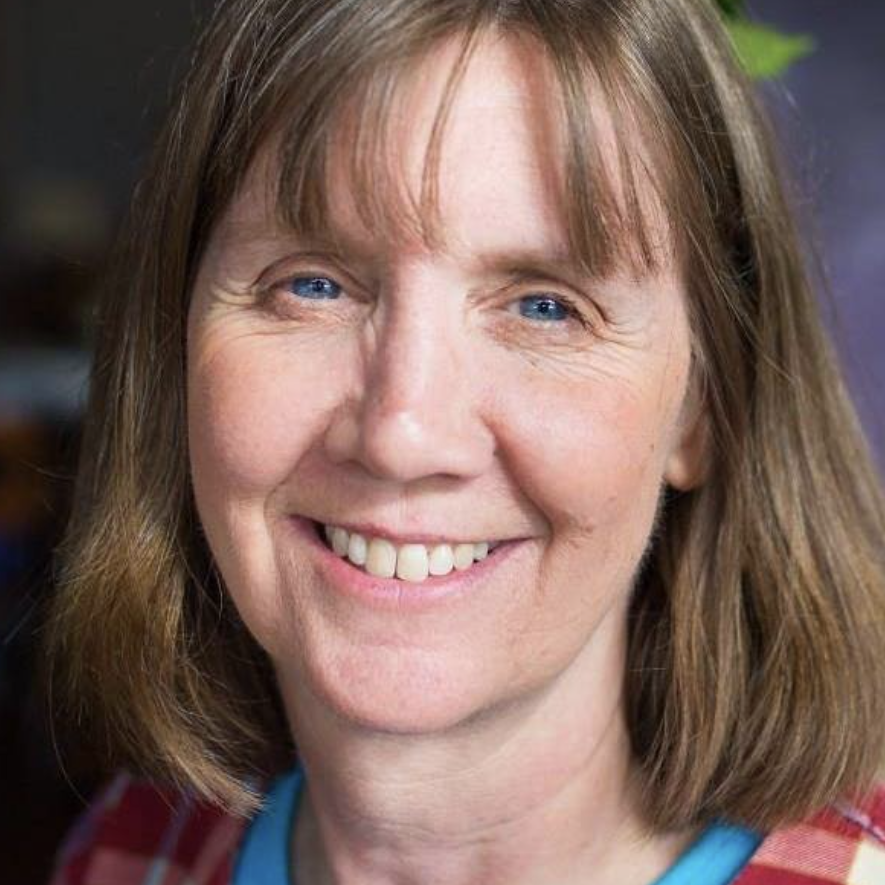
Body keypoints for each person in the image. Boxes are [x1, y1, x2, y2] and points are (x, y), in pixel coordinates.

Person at [46, 0, 885, 883]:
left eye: (545, 307)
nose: (401, 435)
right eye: (312, 285)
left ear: (701, 405)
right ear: (174, 343)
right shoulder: (133, 851)